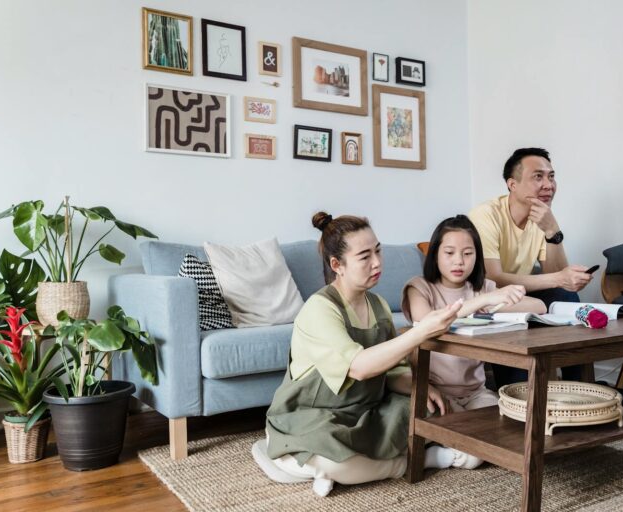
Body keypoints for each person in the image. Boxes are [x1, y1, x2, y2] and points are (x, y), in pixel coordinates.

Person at [252, 212, 463, 497]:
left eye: (378, 251)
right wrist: (421, 331)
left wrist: (419, 389)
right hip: (316, 415)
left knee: (438, 414)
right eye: (365, 256)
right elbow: (359, 368)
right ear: (337, 265)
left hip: (365, 409)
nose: (377, 262)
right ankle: (417, 461)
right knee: (334, 458)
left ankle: (343, 469)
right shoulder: (320, 309)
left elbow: (392, 371)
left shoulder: (378, 305)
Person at [401, 215, 546, 468]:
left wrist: (503, 298)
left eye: (468, 253)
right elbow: (426, 322)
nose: (459, 261)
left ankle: (455, 439)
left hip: (475, 394)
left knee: (511, 436)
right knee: (477, 452)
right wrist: (481, 303)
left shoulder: (482, 288)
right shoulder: (420, 287)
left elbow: (539, 306)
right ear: (435, 254)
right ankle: (441, 449)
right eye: (450, 252)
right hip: (436, 394)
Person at [468, 148, 593, 384]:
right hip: (485, 298)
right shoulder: (486, 215)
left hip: (518, 295)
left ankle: (579, 386)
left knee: (564, 297)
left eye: (551, 176)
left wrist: (552, 231)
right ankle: (521, 388)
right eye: (538, 177)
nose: (548, 184)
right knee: (555, 289)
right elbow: (493, 278)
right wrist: (559, 279)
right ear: (512, 184)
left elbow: (561, 278)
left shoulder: (542, 218)